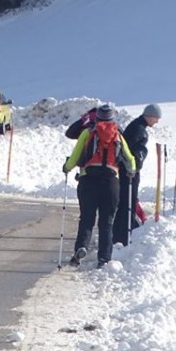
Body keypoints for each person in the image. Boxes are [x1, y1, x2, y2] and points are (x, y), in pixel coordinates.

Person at [62, 103, 136, 268]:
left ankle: (81, 247)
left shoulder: (88, 133)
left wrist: (66, 167)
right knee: (106, 222)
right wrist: (131, 172)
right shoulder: (118, 135)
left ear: (98, 118)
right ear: (112, 118)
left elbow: (75, 157)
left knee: (87, 219)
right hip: (111, 183)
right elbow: (130, 159)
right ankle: (104, 259)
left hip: (88, 180)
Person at [113, 103, 162, 246]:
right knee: (128, 202)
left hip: (126, 170)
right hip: (129, 172)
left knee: (127, 202)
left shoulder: (137, 126)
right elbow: (133, 151)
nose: (157, 121)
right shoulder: (139, 129)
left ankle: (122, 234)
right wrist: (136, 164)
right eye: (156, 118)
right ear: (150, 116)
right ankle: (122, 237)